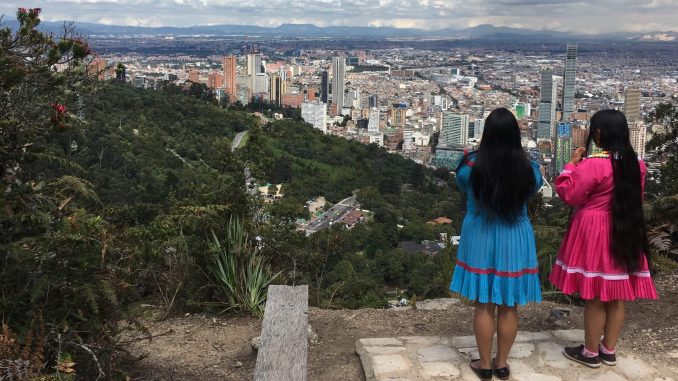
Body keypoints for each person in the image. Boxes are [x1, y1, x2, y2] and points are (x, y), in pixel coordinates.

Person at [549, 109, 657, 368]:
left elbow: (570, 195)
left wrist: (570, 167)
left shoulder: (594, 165)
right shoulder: (636, 164)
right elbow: (636, 196)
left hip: (595, 230)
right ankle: (608, 349)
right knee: (616, 294)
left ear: (598, 133)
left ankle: (589, 352)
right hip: (626, 229)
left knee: (597, 295)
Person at [450, 108, 543, 381]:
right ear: (516, 135)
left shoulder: (470, 166)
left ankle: (485, 364)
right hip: (515, 236)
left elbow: (461, 184)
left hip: (480, 233)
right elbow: (534, 187)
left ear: (486, 134)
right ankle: (502, 363)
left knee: (484, 303)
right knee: (509, 304)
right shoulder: (529, 169)